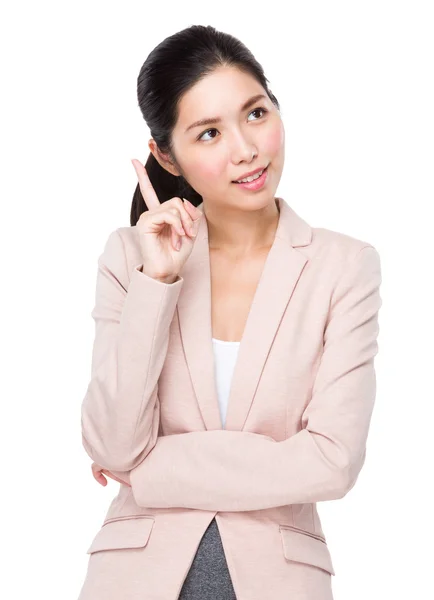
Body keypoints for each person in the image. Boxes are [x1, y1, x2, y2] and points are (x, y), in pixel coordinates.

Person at [78, 24, 382, 600]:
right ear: (166, 154)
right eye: (209, 132)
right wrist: (158, 279)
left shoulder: (345, 267)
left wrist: (148, 472)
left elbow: (332, 461)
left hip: (279, 581)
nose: (246, 148)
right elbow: (113, 442)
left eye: (256, 114)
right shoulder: (129, 259)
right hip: (132, 580)